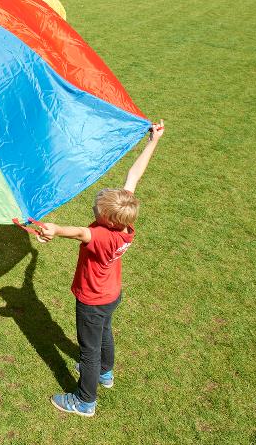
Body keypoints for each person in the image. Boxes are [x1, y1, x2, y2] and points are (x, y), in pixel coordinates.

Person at [38, 120, 165, 417]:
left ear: (107, 219)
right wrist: (153, 141)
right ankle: (105, 372)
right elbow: (134, 175)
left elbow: (77, 232)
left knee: (89, 350)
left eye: (96, 210)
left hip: (92, 300)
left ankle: (85, 401)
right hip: (111, 295)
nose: (93, 210)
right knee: (104, 333)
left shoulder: (100, 235)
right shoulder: (125, 222)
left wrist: (54, 229)